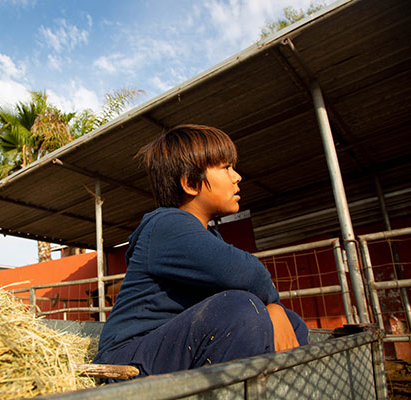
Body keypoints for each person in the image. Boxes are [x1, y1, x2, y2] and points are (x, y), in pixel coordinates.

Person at [92, 124, 308, 380]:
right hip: (125, 362)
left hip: (169, 353)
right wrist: (272, 303)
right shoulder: (166, 225)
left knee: (291, 323)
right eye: (226, 168)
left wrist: (275, 309)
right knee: (239, 308)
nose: (237, 176)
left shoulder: (205, 235)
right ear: (191, 183)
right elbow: (247, 275)